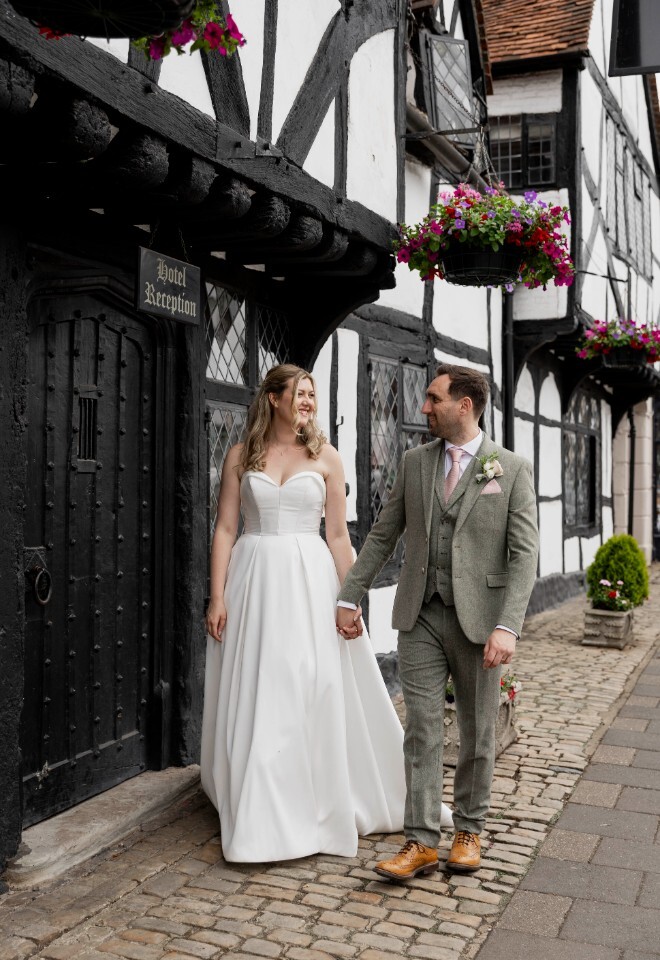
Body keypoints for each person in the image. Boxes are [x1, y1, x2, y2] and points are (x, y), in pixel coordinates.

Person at [201, 363, 452, 863]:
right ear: (273, 398)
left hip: (309, 582)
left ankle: (309, 800)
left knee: (308, 682)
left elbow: (338, 536)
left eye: (313, 394)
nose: (308, 402)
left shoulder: (327, 457)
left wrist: (350, 598)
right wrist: (217, 596)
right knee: (260, 685)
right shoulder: (240, 456)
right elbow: (226, 529)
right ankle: (258, 808)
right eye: (300, 392)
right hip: (252, 580)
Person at [337, 364, 539, 879]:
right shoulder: (415, 462)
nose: (424, 407)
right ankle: (421, 840)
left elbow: (524, 556)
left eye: (434, 398)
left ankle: (468, 830)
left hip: (481, 621)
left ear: (464, 405)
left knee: (478, 731)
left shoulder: (510, 469)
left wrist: (508, 626)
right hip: (420, 614)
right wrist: (350, 594)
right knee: (422, 729)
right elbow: (383, 535)